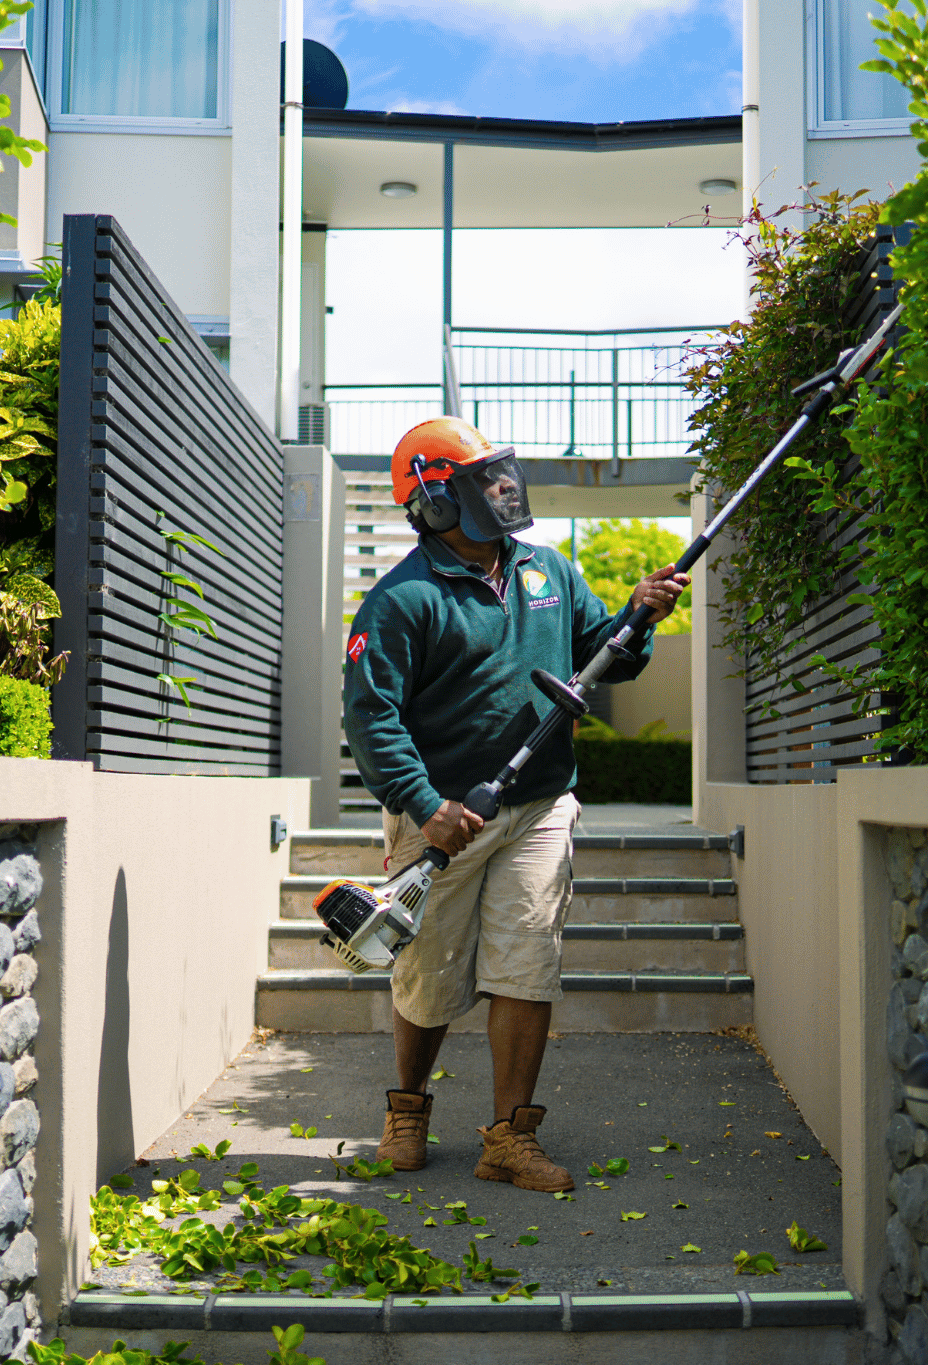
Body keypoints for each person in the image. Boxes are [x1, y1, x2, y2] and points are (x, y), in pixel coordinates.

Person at [340, 416, 688, 1192]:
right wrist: (424, 805)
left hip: (539, 804)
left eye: (502, 474)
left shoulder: (549, 571)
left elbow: (608, 656)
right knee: (428, 976)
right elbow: (370, 717)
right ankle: (407, 1112)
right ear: (434, 500)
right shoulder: (403, 600)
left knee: (527, 962)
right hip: (442, 816)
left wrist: (641, 614)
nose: (501, 489)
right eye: (480, 479)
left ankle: (509, 1137)